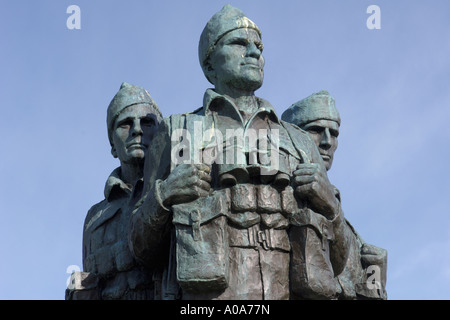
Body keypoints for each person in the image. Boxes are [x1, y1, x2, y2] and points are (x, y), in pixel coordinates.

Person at [129, 5, 353, 300]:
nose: (255, 53)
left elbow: (339, 261)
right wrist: (164, 195)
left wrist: (332, 209)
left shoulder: (299, 141)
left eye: (258, 46)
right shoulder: (177, 131)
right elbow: (140, 248)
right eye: (239, 43)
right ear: (210, 65)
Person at [281, 90, 387, 299]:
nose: (327, 141)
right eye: (316, 130)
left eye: (334, 133)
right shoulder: (276, 196)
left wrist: (376, 277)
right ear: (292, 138)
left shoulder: (350, 234)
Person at [66, 82, 163, 300]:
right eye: (126, 124)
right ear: (112, 144)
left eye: (147, 122)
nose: (137, 129)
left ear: (160, 135)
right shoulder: (94, 217)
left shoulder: (175, 190)